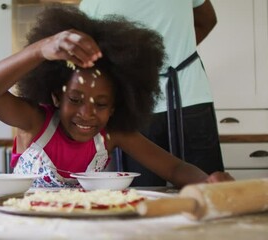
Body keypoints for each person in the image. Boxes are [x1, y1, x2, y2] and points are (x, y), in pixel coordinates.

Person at [0, 5, 233, 188]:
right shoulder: (34, 121)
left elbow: (174, 169)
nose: (87, 113)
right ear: (55, 96)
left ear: (116, 106)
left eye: (102, 103)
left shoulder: (113, 134)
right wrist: (41, 50)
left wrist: (206, 181)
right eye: (75, 99)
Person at [80, 0, 227, 186]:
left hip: (156, 102)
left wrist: (154, 60)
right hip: (173, 100)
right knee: (205, 193)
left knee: (144, 198)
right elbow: (207, 20)